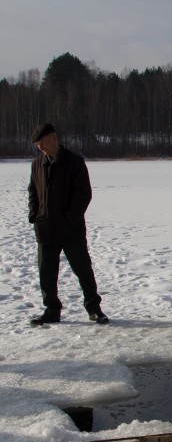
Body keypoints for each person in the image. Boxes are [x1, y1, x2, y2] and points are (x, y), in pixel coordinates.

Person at [28, 123, 109, 325]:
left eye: (43, 143)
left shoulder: (74, 162)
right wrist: (34, 214)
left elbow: (84, 195)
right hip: (45, 227)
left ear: (54, 139)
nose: (41, 148)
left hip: (71, 229)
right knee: (46, 272)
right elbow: (33, 191)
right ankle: (52, 310)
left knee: (82, 269)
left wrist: (68, 219)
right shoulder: (37, 164)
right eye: (38, 145)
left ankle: (94, 308)